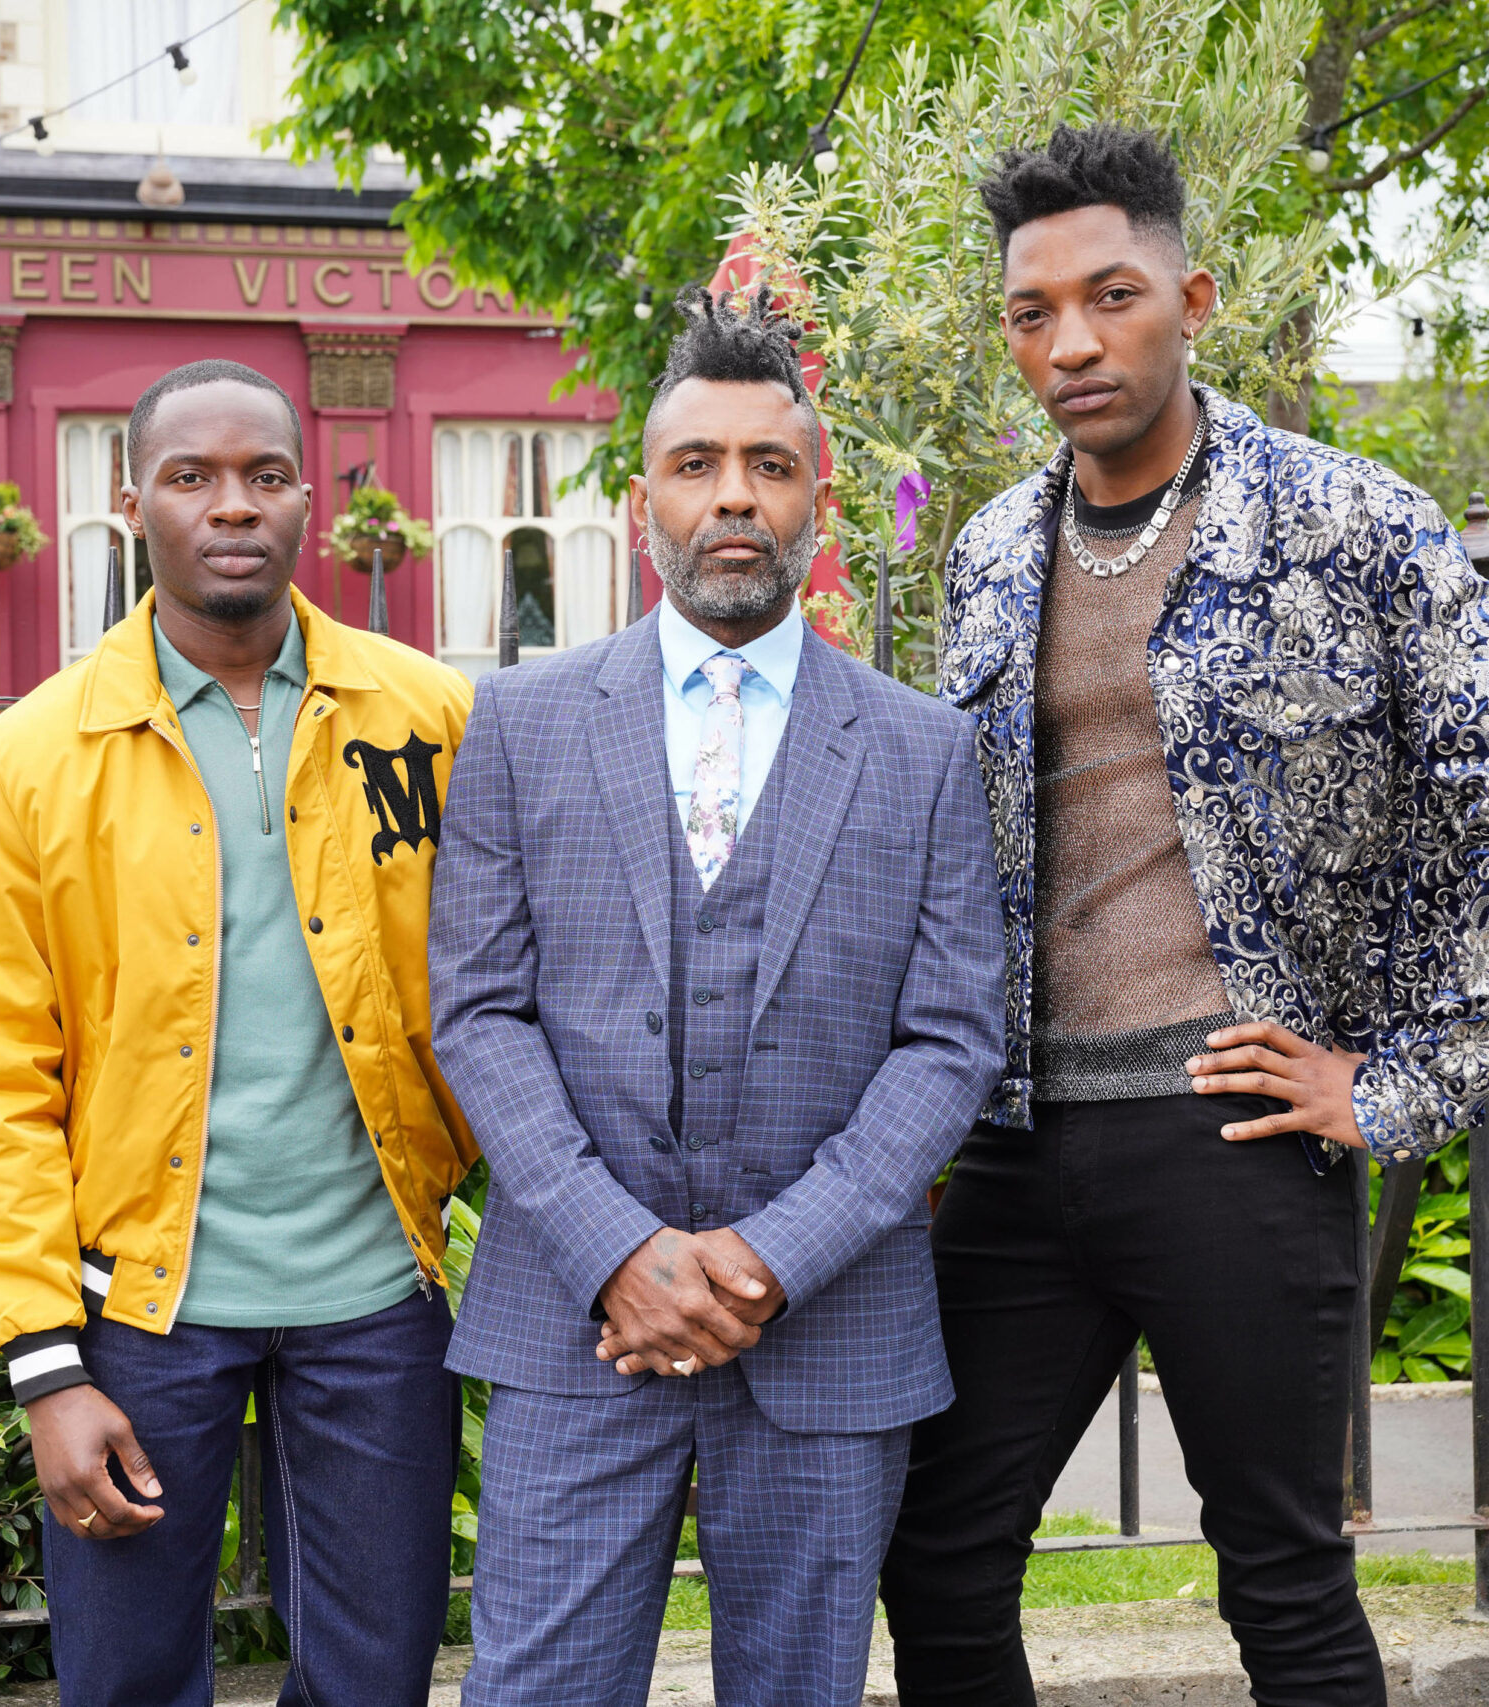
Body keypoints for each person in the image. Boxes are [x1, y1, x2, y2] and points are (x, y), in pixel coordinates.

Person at [874, 126, 1489, 1704]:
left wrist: (1400, 1075)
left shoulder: (1346, 523)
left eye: (1112, 295)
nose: (1072, 342)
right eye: (1031, 313)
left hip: (1230, 1134)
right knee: (936, 1553)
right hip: (1019, 1145)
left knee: (1279, 1580)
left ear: (1192, 297)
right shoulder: (998, 552)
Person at [429, 286, 1007, 1707]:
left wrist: (765, 1260)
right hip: (580, 1324)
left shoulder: (925, 752)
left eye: (769, 466)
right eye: (697, 466)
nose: (732, 498)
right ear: (644, 507)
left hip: (828, 1333)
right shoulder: (522, 721)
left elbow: (949, 1044)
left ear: (819, 501)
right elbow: (477, 1015)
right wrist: (619, 1252)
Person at [0, 359, 477, 1707]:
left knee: (375, 1682)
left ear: (310, 501)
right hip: (141, 1315)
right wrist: (45, 1368)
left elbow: (502, 993)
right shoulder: (34, 756)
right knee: (123, 1684)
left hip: (375, 1300)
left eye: (265, 475)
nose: (231, 505)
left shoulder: (429, 716)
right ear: (133, 504)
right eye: (193, 477)